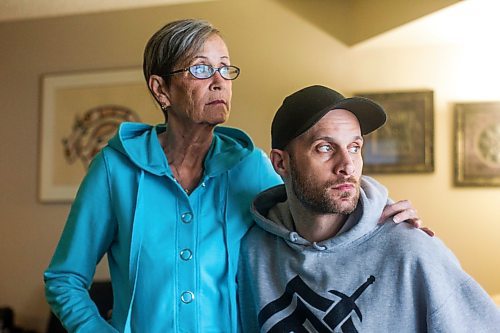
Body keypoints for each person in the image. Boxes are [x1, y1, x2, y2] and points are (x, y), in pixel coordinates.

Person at [44, 20, 425, 333]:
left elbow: (315, 219)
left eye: (225, 68)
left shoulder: (251, 166)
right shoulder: (116, 169)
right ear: (161, 90)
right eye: (200, 69)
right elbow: (64, 279)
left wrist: (377, 219)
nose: (220, 81)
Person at [237, 85, 500, 332]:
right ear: (280, 163)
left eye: (354, 147)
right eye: (325, 148)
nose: (348, 166)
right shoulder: (252, 250)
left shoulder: (411, 251)